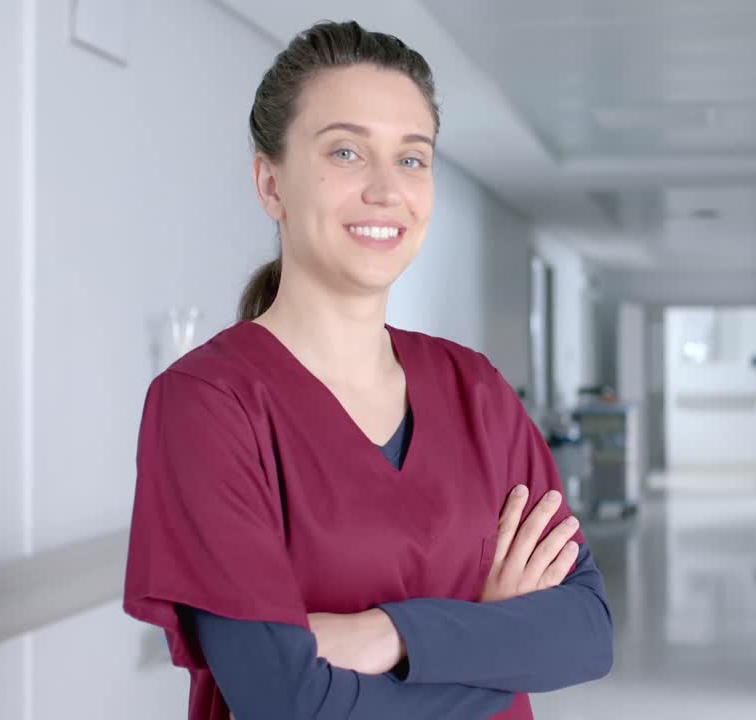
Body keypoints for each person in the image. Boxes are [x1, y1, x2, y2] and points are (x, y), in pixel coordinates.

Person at [123, 20, 612, 720]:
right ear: (270, 183)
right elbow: (287, 700)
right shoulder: (208, 405)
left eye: (411, 159)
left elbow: (585, 632)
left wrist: (385, 635)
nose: (387, 190)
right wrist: (491, 637)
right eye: (347, 152)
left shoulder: (475, 390)